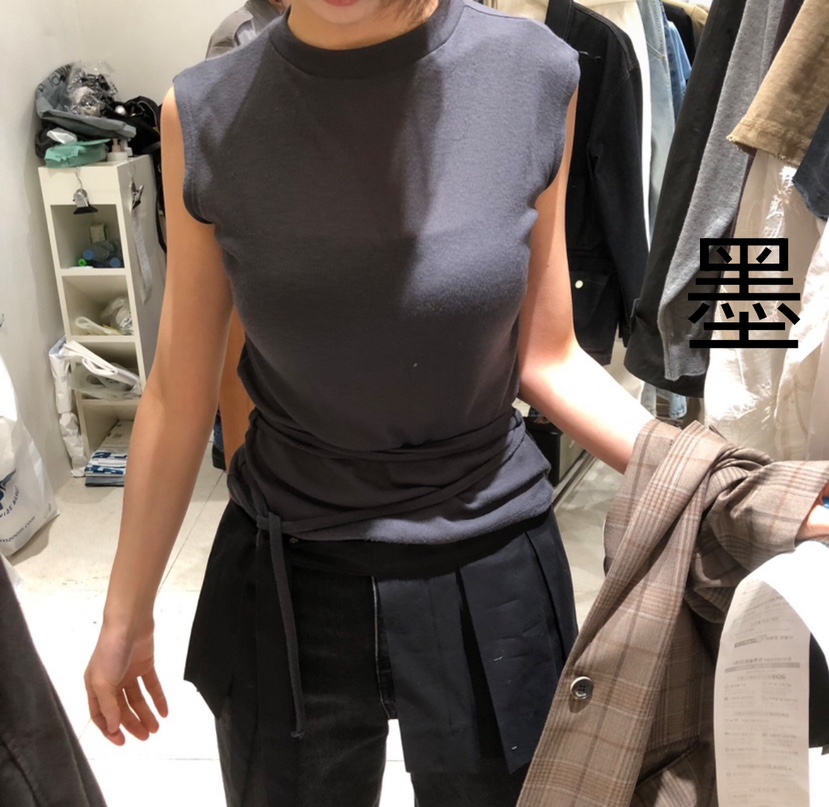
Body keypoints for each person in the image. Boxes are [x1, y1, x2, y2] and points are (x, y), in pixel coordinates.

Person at [83, 1, 829, 806]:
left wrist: (724, 485)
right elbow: (179, 388)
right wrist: (126, 610)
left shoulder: (533, 73)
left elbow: (547, 356)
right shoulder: (203, 112)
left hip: (485, 555)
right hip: (286, 565)